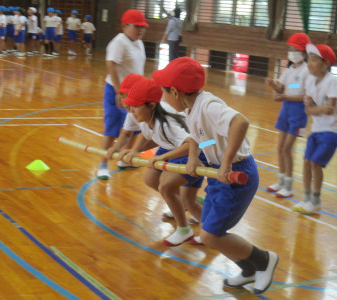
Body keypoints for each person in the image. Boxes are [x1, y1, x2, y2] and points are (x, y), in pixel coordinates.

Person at [153, 57, 279, 295]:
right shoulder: (192, 110)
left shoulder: (208, 105)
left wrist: (227, 162)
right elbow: (206, 138)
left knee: (210, 235)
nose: (163, 99)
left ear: (175, 92)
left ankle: (264, 260)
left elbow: (240, 123)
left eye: (164, 93)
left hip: (236, 174)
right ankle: (248, 269)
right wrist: (193, 156)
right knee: (210, 231)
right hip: (217, 176)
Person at [119, 78, 206, 246]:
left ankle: (184, 229)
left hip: (197, 151)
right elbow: (149, 136)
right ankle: (188, 210)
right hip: (177, 147)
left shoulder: (166, 124)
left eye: (135, 106)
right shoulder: (146, 119)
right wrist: (136, 150)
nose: (131, 110)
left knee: (166, 186)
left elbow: (190, 144)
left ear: (151, 105)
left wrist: (163, 157)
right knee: (152, 180)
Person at [97, 9, 148, 179]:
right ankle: (103, 164)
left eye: (143, 27)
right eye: (137, 26)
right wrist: (119, 91)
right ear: (125, 25)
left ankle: (124, 159)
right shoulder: (119, 42)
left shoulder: (138, 43)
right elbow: (111, 64)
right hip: (116, 90)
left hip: (134, 93)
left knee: (134, 127)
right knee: (112, 128)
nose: (140, 30)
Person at [292, 44, 337, 214]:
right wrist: (316, 108)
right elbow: (308, 110)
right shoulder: (311, 82)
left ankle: (316, 201)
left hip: (331, 131)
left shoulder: (332, 81)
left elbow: (329, 109)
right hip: (316, 129)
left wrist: (314, 108)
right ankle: (307, 198)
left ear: (326, 63)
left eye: (314, 59)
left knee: (315, 162)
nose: (310, 62)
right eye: (309, 58)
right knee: (305, 162)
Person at [265, 33, 311, 198]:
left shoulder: (307, 71)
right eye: (290, 48)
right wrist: (273, 86)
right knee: (279, 148)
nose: (291, 52)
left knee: (286, 148)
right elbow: (282, 89)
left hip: (298, 112)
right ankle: (281, 181)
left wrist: (284, 96)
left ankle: (289, 186)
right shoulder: (290, 69)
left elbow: (305, 95)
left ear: (304, 52)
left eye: (295, 49)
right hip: (285, 110)